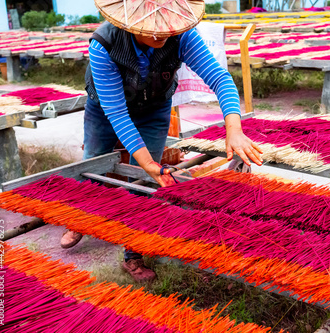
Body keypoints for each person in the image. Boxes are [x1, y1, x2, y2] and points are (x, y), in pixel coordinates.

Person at [60, 0, 263, 282]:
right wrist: (145, 161)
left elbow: (219, 78)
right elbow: (118, 113)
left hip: (154, 107)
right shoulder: (103, 44)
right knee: (93, 165)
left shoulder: (181, 36)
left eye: (165, 27)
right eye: (150, 29)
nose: (159, 34)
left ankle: (133, 252)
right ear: (127, 22)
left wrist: (234, 127)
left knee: (146, 180)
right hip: (106, 112)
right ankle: (78, 220)